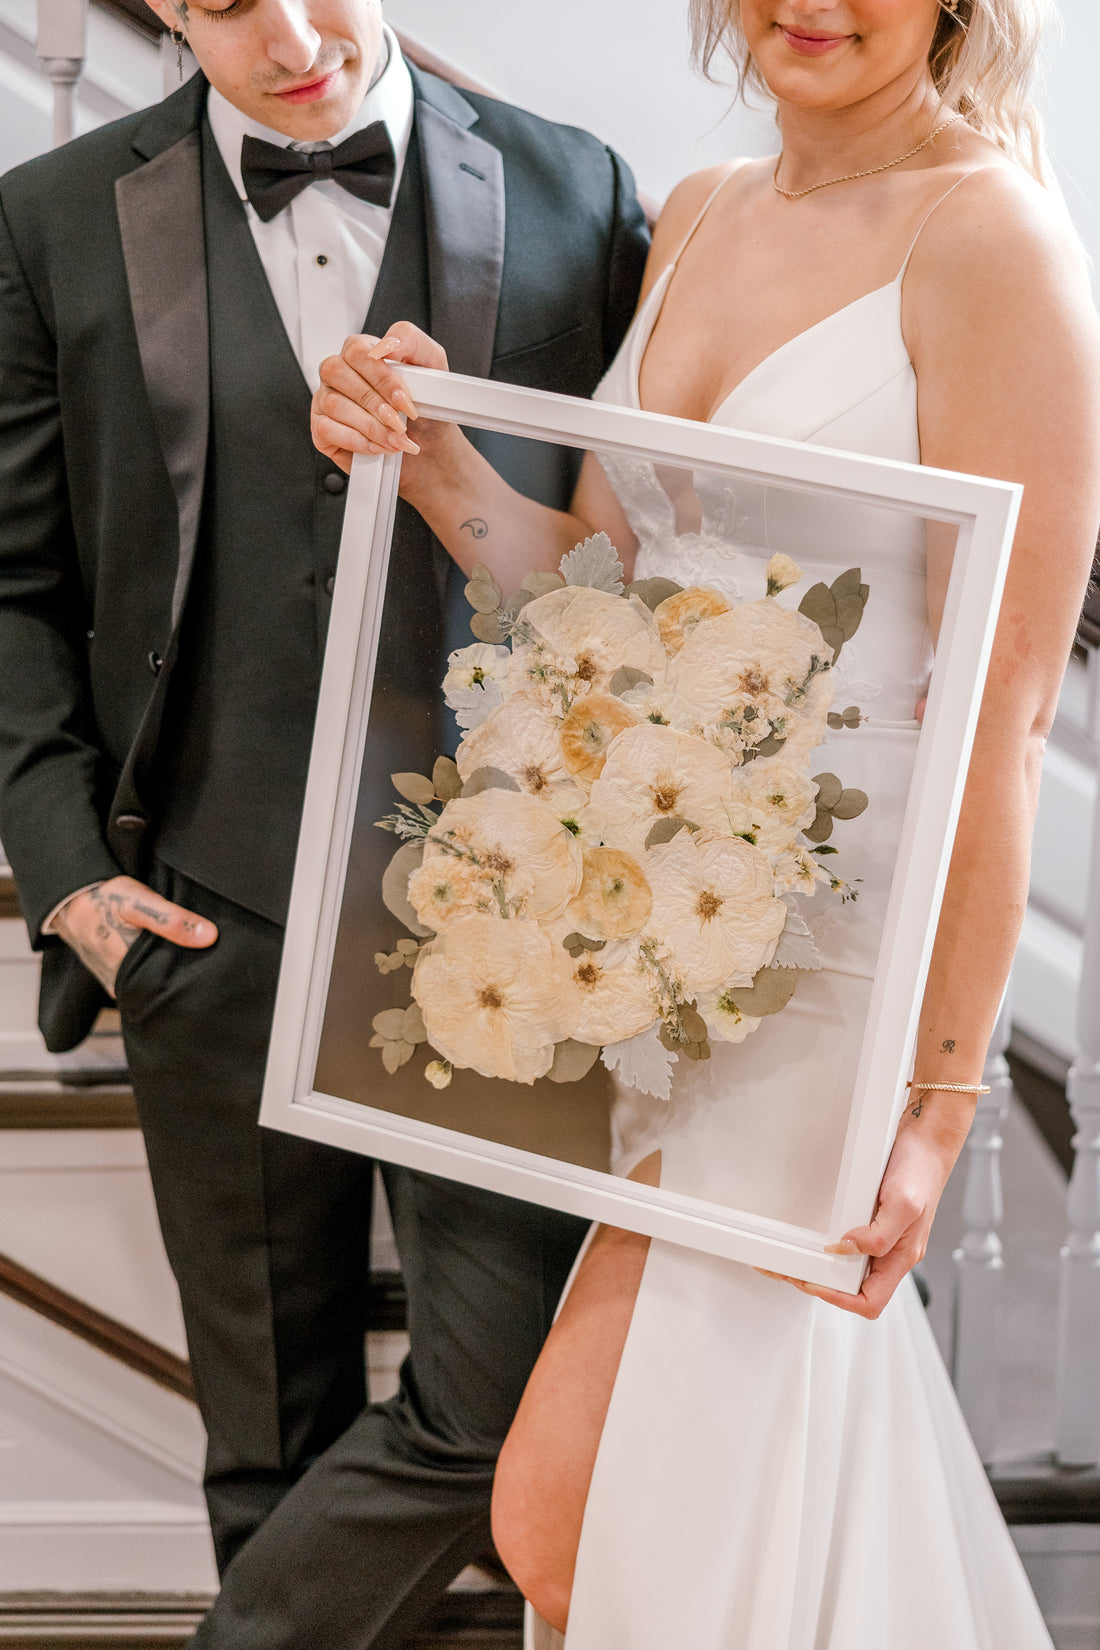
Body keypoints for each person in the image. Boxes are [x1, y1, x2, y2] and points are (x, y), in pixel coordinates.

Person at [314, 0, 1100, 1644]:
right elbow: (597, 594)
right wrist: (430, 449)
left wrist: (940, 1099)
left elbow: (1006, 714)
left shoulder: (996, 242)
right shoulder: (703, 209)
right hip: (675, 948)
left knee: (579, 1507)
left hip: (840, 962)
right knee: (704, 1499)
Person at [0, 4, 649, 1644]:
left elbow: (651, 550)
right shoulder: (56, 215)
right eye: (223, 3)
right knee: (262, 1441)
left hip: (514, 924)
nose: (291, 35)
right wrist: (70, 874)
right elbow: (13, 586)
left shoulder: (586, 191)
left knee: (491, 1413)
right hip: (206, 912)